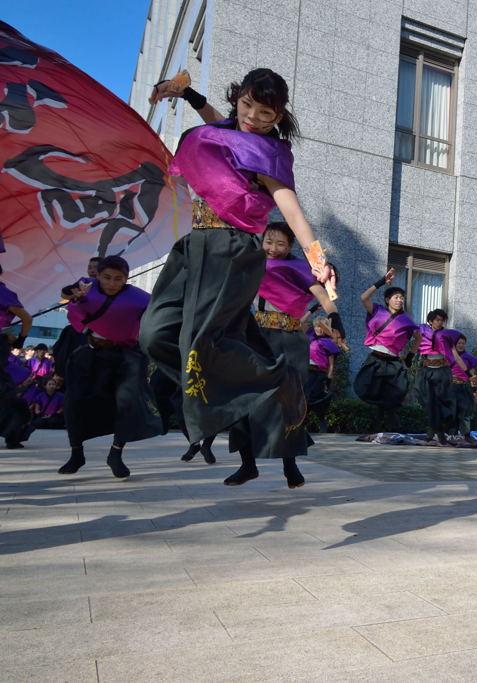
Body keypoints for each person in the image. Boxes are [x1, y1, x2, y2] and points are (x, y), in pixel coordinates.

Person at [142, 68, 330, 486]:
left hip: (231, 250)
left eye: (265, 113)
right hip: (194, 245)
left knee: (200, 341)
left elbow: (291, 208)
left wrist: (317, 256)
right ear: (238, 99)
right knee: (154, 335)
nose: (253, 118)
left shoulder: (269, 153)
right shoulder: (228, 132)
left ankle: (276, 381)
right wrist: (185, 93)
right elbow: (218, 122)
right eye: (247, 106)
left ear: (278, 115)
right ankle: (256, 383)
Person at [224, 222, 344, 487]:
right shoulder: (251, 263)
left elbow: (322, 296)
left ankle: (290, 465)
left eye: (280, 243)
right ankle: (247, 465)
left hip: (289, 340)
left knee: (289, 403)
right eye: (268, 241)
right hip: (255, 337)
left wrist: (334, 316)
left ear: (290, 246)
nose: (273, 248)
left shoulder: (301, 268)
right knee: (243, 399)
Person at [58, 256, 163, 478]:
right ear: (99, 275)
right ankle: (77, 453)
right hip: (92, 352)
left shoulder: (140, 298)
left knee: (128, 403)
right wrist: (73, 295)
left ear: (126, 279)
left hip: (126, 355)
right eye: (107, 277)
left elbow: (160, 313)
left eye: (118, 279)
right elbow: (65, 292)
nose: (112, 283)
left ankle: (116, 454)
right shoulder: (87, 286)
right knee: (74, 401)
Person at [355, 268, 418, 431]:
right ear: (387, 299)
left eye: (402, 298)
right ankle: (380, 425)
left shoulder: (407, 320)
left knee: (397, 390)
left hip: (393, 362)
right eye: (396, 297)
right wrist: (382, 281)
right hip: (376, 358)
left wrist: (410, 356)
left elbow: (418, 338)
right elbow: (363, 297)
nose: (400, 300)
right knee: (368, 388)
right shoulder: (377, 310)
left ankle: (389, 426)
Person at [413, 309, 468, 444]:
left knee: (440, 403)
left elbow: (454, 354)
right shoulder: (422, 330)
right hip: (426, 371)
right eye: (437, 320)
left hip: (442, 372)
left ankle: (435, 432)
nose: (440, 322)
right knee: (426, 400)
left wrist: (465, 371)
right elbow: (412, 338)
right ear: (430, 321)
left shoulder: (446, 335)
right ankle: (435, 431)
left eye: (442, 320)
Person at [306, 317, 343, 433]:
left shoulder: (328, 343)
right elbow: (301, 322)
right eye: (317, 326)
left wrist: (329, 379)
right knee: (305, 399)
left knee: (314, 399)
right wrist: (311, 311)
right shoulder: (310, 338)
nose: (319, 329)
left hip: (319, 374)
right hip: (306, 373)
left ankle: (321, 422)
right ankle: (303, 424)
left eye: (322, 327)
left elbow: (331, 364)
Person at [451, 334, 477, 442]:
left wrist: (475, 391)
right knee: (451, 412)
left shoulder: (468, 357)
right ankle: (452, 436)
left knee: (465, 412)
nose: (461, 345)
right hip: (449, 388)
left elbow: (472, 375)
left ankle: (466, 435)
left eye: (463, 343)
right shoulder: (449, 356)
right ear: (454, 344)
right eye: (458, 343)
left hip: (462, 387)